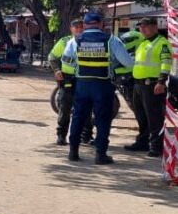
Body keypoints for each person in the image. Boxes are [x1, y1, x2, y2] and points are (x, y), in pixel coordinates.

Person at [61, 12, 134, 164]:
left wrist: (77, 68)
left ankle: (73, 152)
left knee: (78, 117)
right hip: (103, 85)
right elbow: (128, 63)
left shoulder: (75, 40)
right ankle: (100, 155)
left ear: (85, 25)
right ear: (101, 24)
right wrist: (113, 65)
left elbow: (66, 61)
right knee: (102, 119)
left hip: (82, 84)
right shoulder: (111, 40)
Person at [125, 17, 172, 157]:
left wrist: (161, 82)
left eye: (145, 26)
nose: (142, 29)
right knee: (141, 116)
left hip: (152, 84)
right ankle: (143, 142)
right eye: (141, 27)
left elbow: (166, 63)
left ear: (154, 27)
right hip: (139, 85)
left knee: (154, 117)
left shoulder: (162, 43)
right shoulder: (143, 43)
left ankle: (156, 147)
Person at [48, 19, 93, 145]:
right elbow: (52, 57)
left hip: (85, 79)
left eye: (80, 27)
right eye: (75, 27)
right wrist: (57, 70)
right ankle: (61, 136)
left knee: (86, 108)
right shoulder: (64, 41)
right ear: (71, 28)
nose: (78, 29)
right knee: (65, 109)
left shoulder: (90, 41)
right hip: (67, 79)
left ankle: (87, 136)